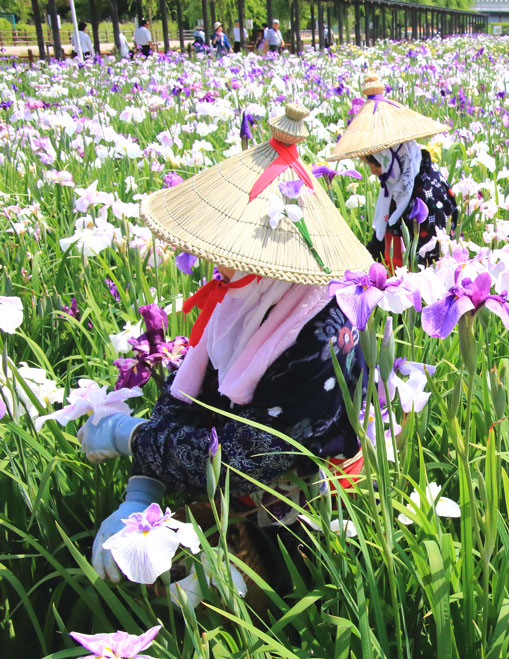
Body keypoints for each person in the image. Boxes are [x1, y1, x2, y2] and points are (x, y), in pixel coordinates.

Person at [83, 102, 372, 590]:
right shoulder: (246, 297)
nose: (212, 261)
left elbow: (243, 462)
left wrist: (129, 436)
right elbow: (189, 398)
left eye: (226, 253)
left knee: (269, 598)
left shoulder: (322, 337)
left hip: (306, 512)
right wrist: (141, 490)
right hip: (237, 488)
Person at [327, 74, 458, 271]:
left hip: (420, 285)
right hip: (394, 281)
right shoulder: (397, 183)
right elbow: (378, 241)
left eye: (374, 163)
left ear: (393, 156)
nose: (372, 171)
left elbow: (432, 262)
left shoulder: (429, 192)